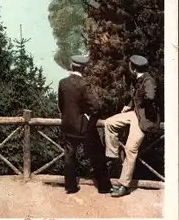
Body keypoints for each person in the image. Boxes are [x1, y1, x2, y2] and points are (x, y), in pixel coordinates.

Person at [105, 55, 159, 198]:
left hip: (143, 119)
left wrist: (144, 106)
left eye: (130, 66)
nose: (129, 68)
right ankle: (112, 155)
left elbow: (151, 97)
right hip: (134, 114)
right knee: (109, 123)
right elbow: (135, 97)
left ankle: (124, 185)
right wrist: (128, 106)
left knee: (130, 149)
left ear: (133, 69)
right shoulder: (138, 80)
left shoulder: (148, 81)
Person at [58, 55, 112, 194]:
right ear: (84, 68)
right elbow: (97, 106)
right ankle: (104, 187)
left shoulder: (62, 83)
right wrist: (88, 118)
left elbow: (61, 105)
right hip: (83, 127)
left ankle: (70, 187)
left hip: (68, 125)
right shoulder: (83, 84)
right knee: (97, 155)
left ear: (71, 67)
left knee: (69, 155)